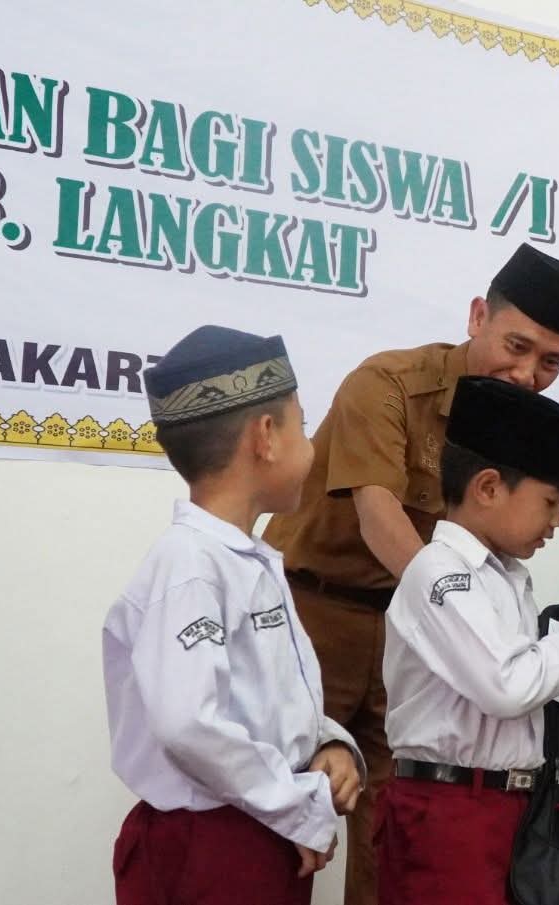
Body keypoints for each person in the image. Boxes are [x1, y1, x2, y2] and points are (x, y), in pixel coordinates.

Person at [259, 244, 559, 904]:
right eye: (517, 344)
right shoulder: (387, 383)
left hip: (407, 638)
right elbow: (378, 514)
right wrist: (458, 611)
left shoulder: (506, 429)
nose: (528, 373)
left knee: (390, 835)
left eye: (551, 360)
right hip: (314, 619)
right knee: (285, 824)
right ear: (478, 316)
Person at [103, 326, 364, 905]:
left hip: (259, 831)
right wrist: (297, 807)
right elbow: (189, 724)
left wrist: (331, 744)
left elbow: (263, 700)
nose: (313, 446)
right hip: (213, 849)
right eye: (304, 423)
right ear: (266, 437)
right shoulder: (190, 566)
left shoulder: (243, 559)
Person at [374, 375, 559, 904]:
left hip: (506, 811)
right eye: (551, 500)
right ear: (487, 488)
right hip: (447, 815)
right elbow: (505, 685)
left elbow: (520, 673)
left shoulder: (505, 576)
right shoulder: (439, 572)